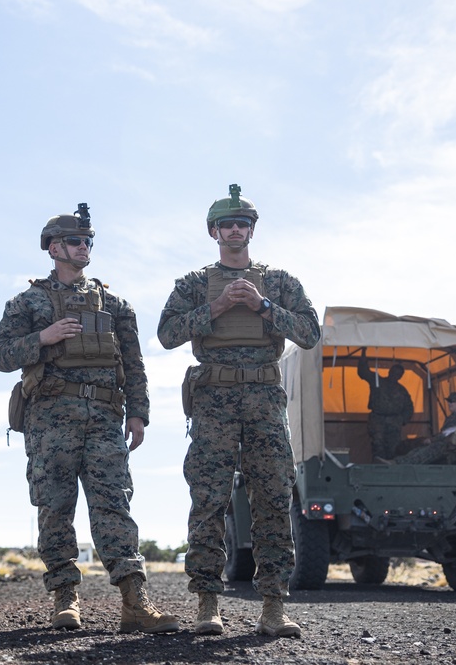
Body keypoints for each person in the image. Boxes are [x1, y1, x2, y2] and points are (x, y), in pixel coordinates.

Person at [0, 204, 178, 634]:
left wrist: (139, 415)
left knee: (115, 504)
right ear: (54, 248)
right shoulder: (28, 302)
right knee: (54, 506)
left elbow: (134, 362)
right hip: (49, 419)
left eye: (89, 241)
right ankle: (65, 598)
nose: (84, 247)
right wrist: (42, 337)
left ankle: (135, 600)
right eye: (76, 241)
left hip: (105, 417)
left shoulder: (114, 303)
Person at [157, 184, 320, 637]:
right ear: (214, 232)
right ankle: (208, 603)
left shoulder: (281, 282)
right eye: (226, 224)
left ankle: (273, 606)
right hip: (214, 400)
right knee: (208, 497)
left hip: (265, 400)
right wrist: (217, 306)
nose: (234, 230)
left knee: (272, 496)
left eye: (242, 223)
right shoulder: (192, 284)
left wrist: (264, 307)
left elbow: (309, 333)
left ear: (252, 230)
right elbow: (167, 333)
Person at [357, 352, 414, 462]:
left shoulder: (402, 390)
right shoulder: (377, 381)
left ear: (401, 376)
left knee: (394, 448)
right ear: (389, 371)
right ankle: (377, 470)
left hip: (394, 422)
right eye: (394, 372)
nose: (395, 375)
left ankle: (391, 471)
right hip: (378, 420)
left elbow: (409, 407)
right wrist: (363, 356)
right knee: (378, 446)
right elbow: (363, 372)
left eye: (399, 374)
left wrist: (402, 420)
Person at [394, 392, 456, 465]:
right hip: (448, 443)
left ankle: (399, 463)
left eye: (452, 401)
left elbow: (449, 432)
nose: (449, 404)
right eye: (448, 401)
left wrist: (432, 440)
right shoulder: (455, 415)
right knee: (419, 448)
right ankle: (397, 461)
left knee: (429, 450)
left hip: (452, 445)